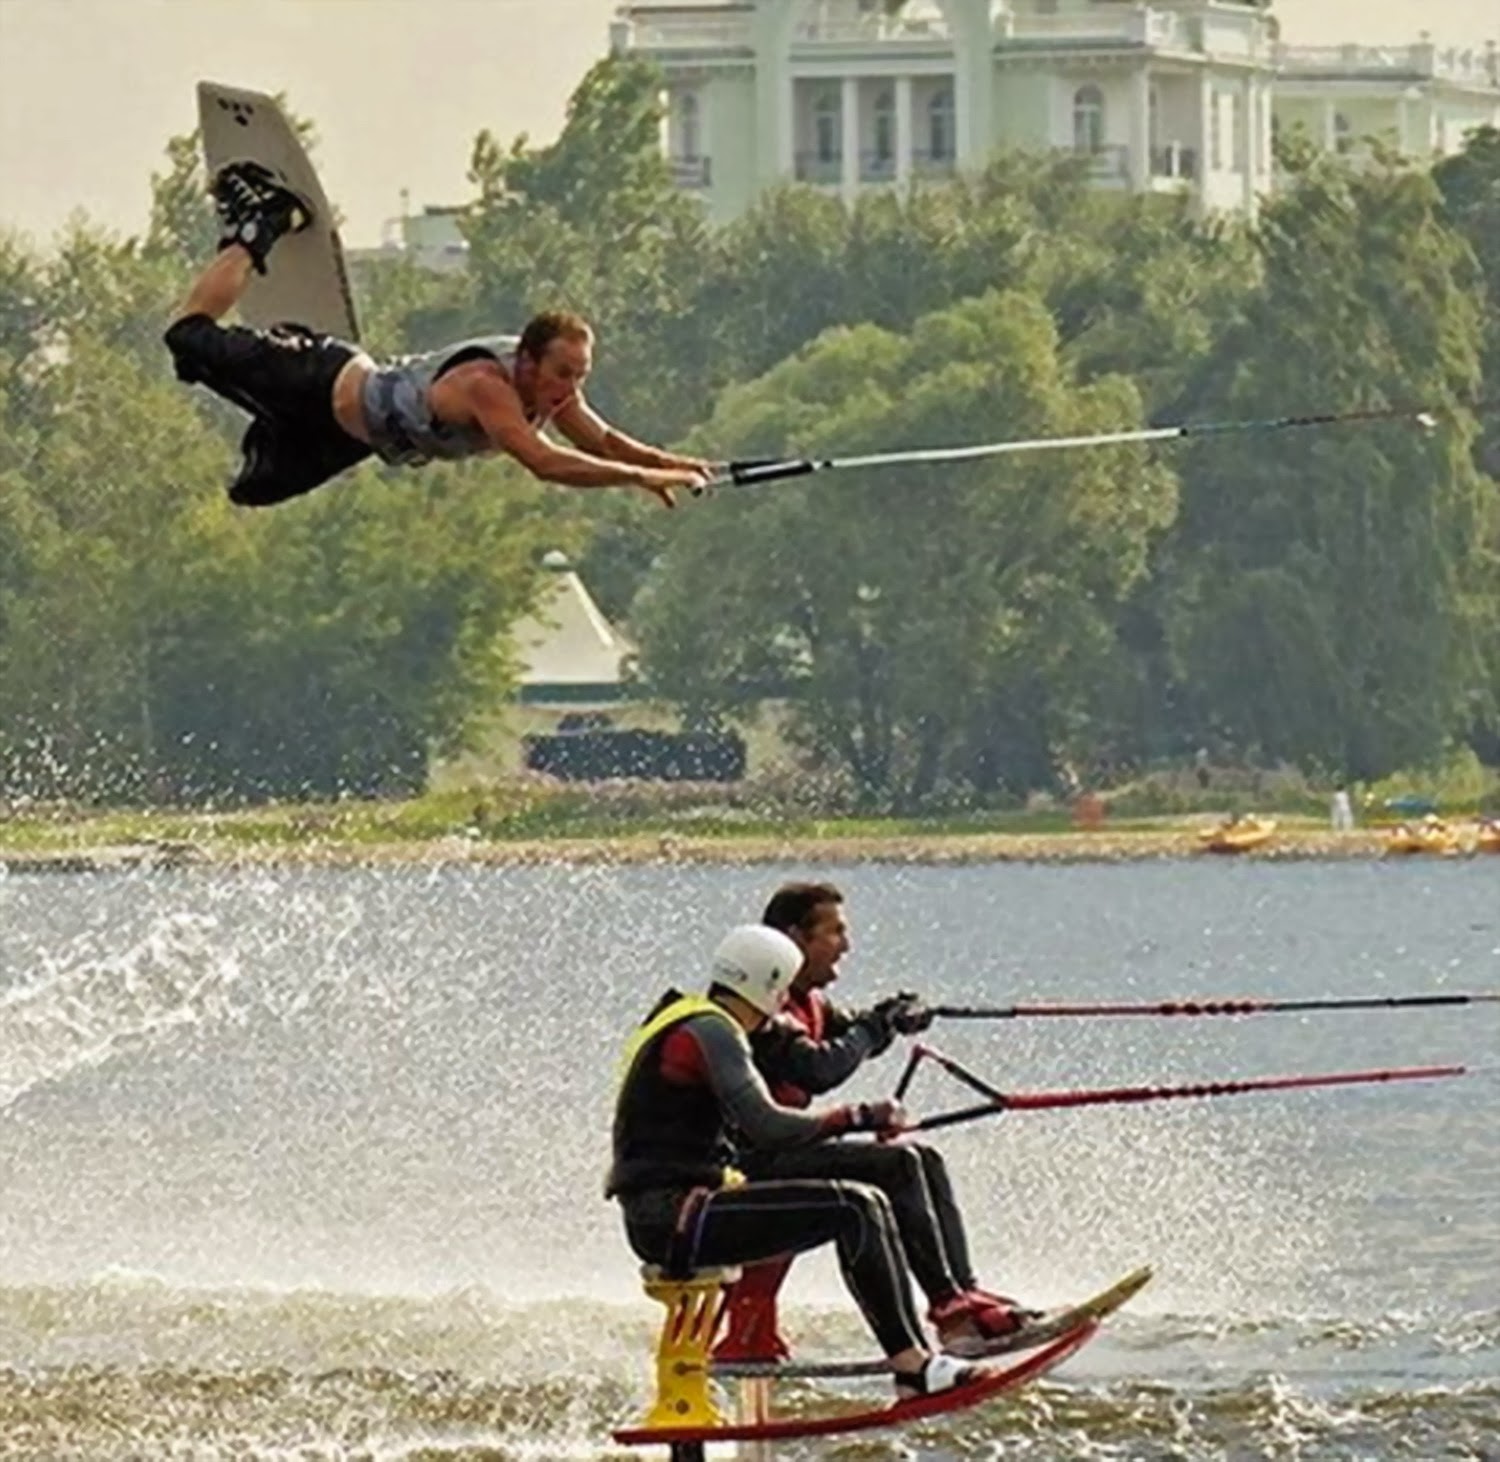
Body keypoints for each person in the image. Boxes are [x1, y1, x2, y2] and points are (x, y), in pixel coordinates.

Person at [164, 161, 716, 508]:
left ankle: (266, 395)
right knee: (186, 339)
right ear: (527, 361)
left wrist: (676, 465)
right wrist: (640, 478)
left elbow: (605, 442)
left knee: (251, 491)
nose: (571, 388)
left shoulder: (553, 393)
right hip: (323, 379)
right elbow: (546, 462)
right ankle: (260, 223)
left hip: (343, 439)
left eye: (581, 375)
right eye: (563, 373)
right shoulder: (487, 385)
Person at [606, 923, 985, 1399]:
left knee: (864, 1201)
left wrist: (881, 1022)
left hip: (679, 1209)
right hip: (676, 1219)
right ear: (766, 985)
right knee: (854, 1209)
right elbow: (769, 1126)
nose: (785, 1001)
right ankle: (913, 1366)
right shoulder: (712, 1032)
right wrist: (858, 1115)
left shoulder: (688, 1016)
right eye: (782, 988)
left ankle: (918, 1357)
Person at [724, 882, 1038, 1359]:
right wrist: (873, 1032)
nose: (846, 946)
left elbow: (851, 1029)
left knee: (922, 1157)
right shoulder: (763, 1009)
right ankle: (951, 1313)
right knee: (897, 1165)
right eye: (835, 933)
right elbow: (819, 1068)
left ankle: (960, 1296)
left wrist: (894, 1014)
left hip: (782, 1154)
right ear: (794, 938)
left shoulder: (810, 1003)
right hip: (749, 1165)